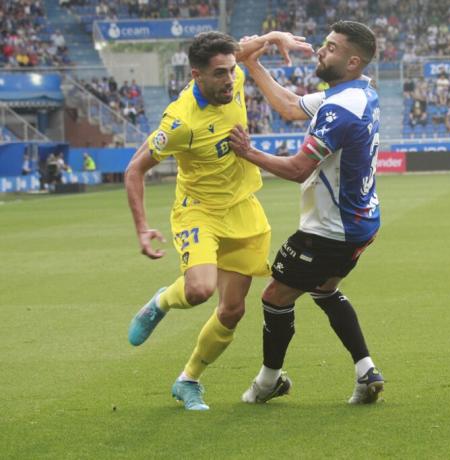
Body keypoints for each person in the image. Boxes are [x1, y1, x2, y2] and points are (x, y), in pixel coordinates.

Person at [124, 30, 312, 411]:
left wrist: (275, 36)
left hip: (243, 209)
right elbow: (134, 170)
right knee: (198, 290)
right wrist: (143, 228)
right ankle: (160, 302)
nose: (230, 80)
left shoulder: (235, 74)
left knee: (233, 310)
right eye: (220, 74)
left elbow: (245, 51)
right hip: (199, 210)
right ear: (196, 76)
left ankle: (188, 380)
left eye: (231, 71)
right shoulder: (179, 122)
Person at [227, 21, 384, 405]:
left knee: (275, 297)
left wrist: (249, 153)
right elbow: (289, 107)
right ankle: (366, 371)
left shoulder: (341, 108)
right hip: (359, 223)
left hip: (330, 229)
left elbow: (299, 169)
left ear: (352, 61)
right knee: (324, 289)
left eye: (330, 47)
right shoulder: (356, 93)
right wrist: (252, 65)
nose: (320, 50)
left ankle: (269, 381)